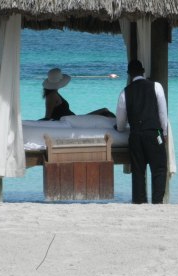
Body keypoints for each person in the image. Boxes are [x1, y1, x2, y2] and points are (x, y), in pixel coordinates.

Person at [115, 60, 168, 204]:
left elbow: (120, 120)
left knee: (138, 171)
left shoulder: (125, 92)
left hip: (136, 135)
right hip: (154, 132)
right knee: (159, 168)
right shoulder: (156, 86)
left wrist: (120, 129)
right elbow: (163, 113)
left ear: (129, 74)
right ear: (143, 71)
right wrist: (164, 133)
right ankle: (157, 201)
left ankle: (139, 201)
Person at [40, 68, 115, 120]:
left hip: (73, 120)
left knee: (105, 111)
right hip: (73, 121)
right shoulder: (52, 96)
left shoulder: (53, 93)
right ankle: (120, 127)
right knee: (105, 111)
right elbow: (48, 116)